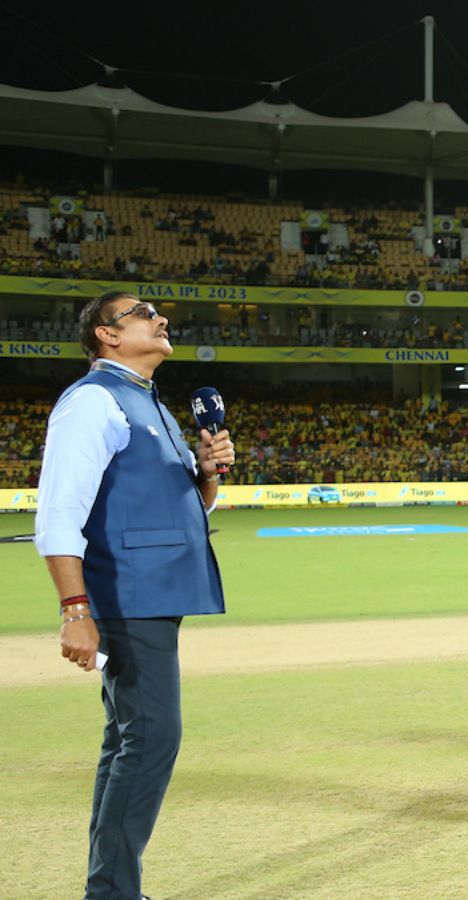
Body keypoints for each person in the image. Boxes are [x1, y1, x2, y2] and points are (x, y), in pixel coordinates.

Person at [36, 290, 233, 899]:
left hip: (154, 591)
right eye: (143, 313)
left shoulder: (149, 402)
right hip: (127, 593)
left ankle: (110, 888)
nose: (161, 318)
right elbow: (58, 514)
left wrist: (207, 475)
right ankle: (113, 893)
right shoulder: (93, 402)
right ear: (108, 334)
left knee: (128, 738)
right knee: (151, 737)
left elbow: (185, 507)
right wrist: (75, 610)